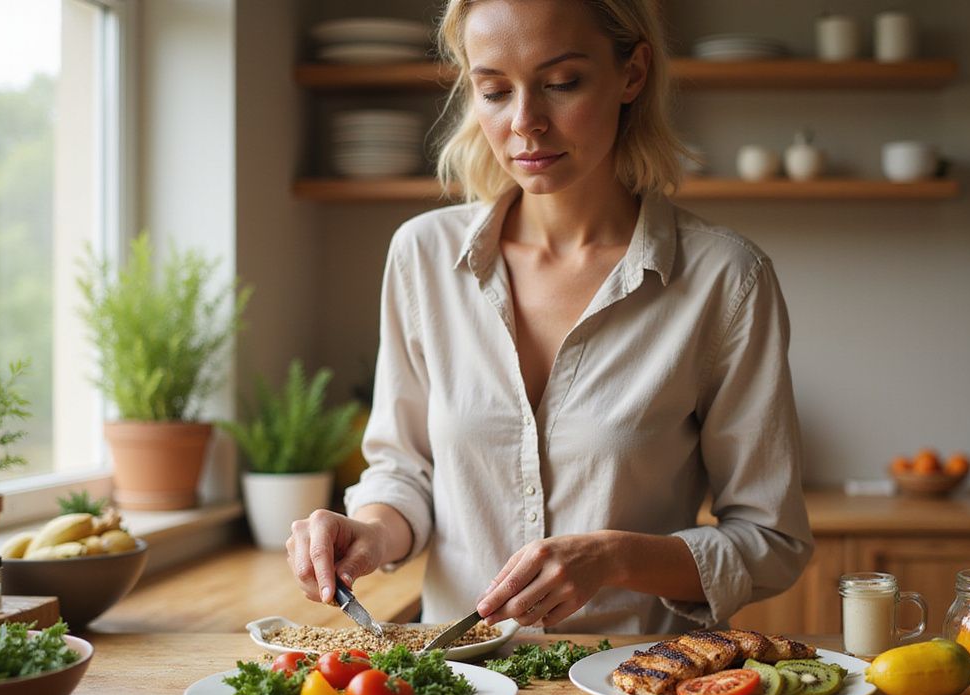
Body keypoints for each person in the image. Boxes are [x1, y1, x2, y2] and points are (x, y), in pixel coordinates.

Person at [287, 0, 812, 635]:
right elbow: (405, 470)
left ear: (632, 73)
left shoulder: (726, 279)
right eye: (494, 91)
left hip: (634, 685)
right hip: (456, 684)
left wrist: (615, 559)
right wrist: (369, 530)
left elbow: (770, 539)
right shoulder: (423, 256)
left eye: (562, 84)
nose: (525, 122)